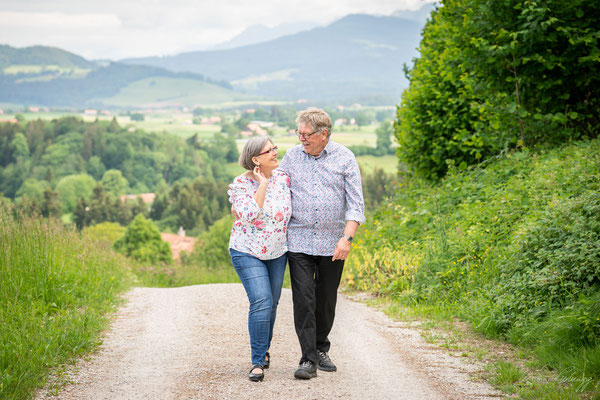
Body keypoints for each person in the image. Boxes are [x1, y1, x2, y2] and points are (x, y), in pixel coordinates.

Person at [278, 107, 365, 380]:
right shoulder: (292, 157)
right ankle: (308, 359)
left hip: (333, 243)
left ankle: (321, 347)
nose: (301, 139)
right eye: (298, 133)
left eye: (306, 134)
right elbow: (276, 190)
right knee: (304, 299)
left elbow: (356, 205)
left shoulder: (345, 158)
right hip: (299, 240)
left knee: (326, 299)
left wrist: (347, 238)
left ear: (323, 133)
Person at [228, 136, 291, 382]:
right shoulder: (240, 185)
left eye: (275, 148)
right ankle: (257, 362)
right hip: (247, 251)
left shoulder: (284, 179)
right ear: (256, 159)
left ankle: (264, 350)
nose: (275, 152)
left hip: (277, 252)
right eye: (269, 150)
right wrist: (262, 185)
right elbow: (252, 215)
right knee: (262, 300)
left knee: (273, 302)